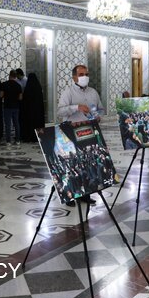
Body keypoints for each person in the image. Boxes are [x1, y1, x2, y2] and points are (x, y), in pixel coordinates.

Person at [57, 64, 105, 206]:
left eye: (86, 74)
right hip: (72, 134)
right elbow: (60, 112)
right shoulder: (68, 92)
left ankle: (85, 193)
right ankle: (70, 195)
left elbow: (101, 109)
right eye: (81, 74)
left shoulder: (93, 92)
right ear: (74, 77)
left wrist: (98, 116)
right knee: (72, 166)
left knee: (86, 165)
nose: (85, 77)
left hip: (89, 133)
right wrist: (76, 107)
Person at [20, 73, 45, 142]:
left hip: (29, 110)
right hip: (37, 110)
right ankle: (36, 137)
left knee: (29, 123)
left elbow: (24, 100)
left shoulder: (28, 88)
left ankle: (29, 137)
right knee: (37, 123)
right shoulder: (38, 87)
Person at [0, 70, 23, 146]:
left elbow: (1, 95)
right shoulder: (18, 86)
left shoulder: (5, 84)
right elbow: (20, 98)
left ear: (9, 75)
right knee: (17, 123)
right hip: (16, 107)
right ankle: (17, 141)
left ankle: (8, 141)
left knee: (8, 124)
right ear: (15, 76)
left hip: (7, 107)